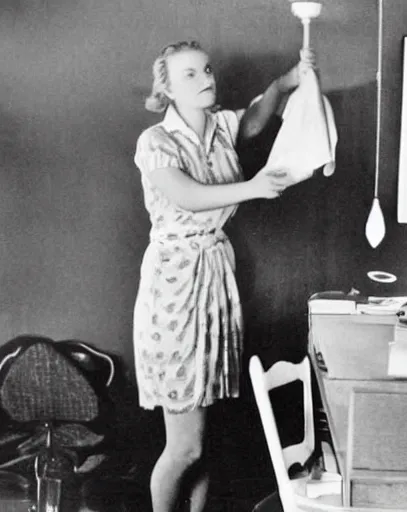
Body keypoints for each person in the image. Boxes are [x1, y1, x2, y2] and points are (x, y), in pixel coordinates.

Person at [132, 40, 314, 512]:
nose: (206, 78)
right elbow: (187, 196)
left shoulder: (220, 128)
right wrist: (253, 188)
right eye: (189, 74)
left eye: (207, 69)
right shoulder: (156, 142)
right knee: (185, 445)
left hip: (213, 281)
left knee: (204, 440)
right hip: (173, 289)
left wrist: (285, 83)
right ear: (167, 89)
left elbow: (254, 118)